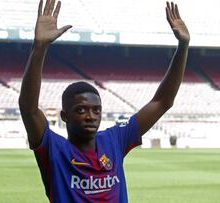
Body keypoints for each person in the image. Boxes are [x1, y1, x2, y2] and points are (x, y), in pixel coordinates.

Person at [19, 0, 190, 202]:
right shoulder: (53, 150)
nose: (91, 116)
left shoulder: (115, 139)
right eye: (81, 110)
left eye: (96, 110)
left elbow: (162, 102)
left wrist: (183, 46)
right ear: (64, 116)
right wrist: (39, 48)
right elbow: (28, 109)